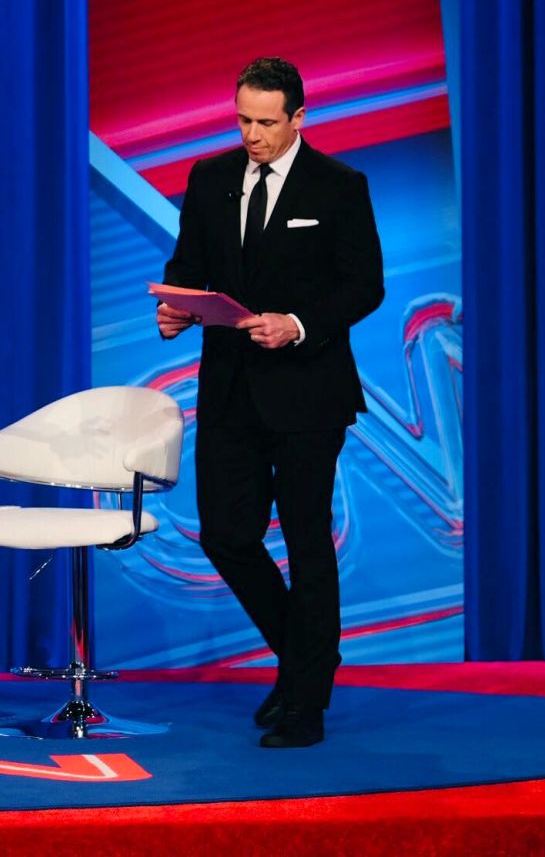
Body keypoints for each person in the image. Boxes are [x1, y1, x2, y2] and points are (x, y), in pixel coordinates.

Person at [156, 58, 383, 748]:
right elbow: (188, 263)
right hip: (229, 389)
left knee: (309, 543)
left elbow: (363, 285)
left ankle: (306, 702)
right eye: (242, 119)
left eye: (264, 122)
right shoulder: (210, 178)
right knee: (227, 533)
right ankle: (305, 657)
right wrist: (175, 307)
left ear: (298, 118)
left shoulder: (339, 187)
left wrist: (299, 322)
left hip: (309, 392)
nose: (251, 134)